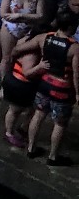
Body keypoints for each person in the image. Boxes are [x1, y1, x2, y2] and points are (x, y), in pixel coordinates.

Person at [27, 11, 79, 164]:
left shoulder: (45, 38)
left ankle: (31, 148)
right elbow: (76, 74)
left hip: (44, 83)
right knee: (60, 123)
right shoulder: (75, 48)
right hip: (62, 89)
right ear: (70, 26)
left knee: (38, 115)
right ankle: (53, 157)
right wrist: (78, 94)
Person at [0, 29, 47, 148]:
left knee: (32, 108)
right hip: (19, 83)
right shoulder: (31, 53)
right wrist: (40, 67)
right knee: (15, 110)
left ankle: (23, 128)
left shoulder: (24, 41)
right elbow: (27, 73)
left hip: (21, 82)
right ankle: (9, 133)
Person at [0, 0, 43, 85]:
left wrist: (20, 15)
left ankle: (15, 83)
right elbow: (3, 13)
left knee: (17, 57)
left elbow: (40, 16)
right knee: (6, 58)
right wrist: (17, 17)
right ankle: (4, 85)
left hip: (27, 30)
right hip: (10, 28)